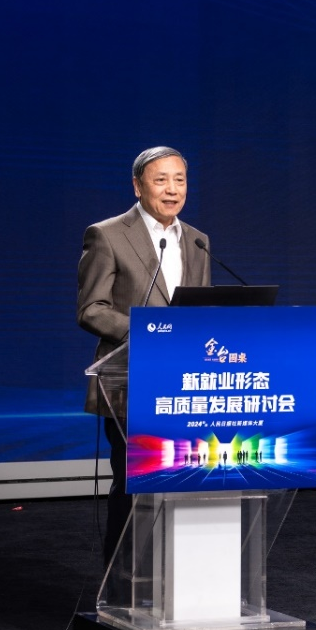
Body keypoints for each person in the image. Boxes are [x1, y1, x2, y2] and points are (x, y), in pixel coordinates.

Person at [78, 145, 212, 565]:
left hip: (185, 387)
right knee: (134, 485)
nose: (172, 190)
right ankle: (123, 583)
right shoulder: (107, 235)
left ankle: (178, 576)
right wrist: (150, 334)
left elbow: (201, 311)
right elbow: (91, 309)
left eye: (180, 180)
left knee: (183, 481)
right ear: (138, 186)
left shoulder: (198, 241)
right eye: (161, 180)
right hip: (130, 385)